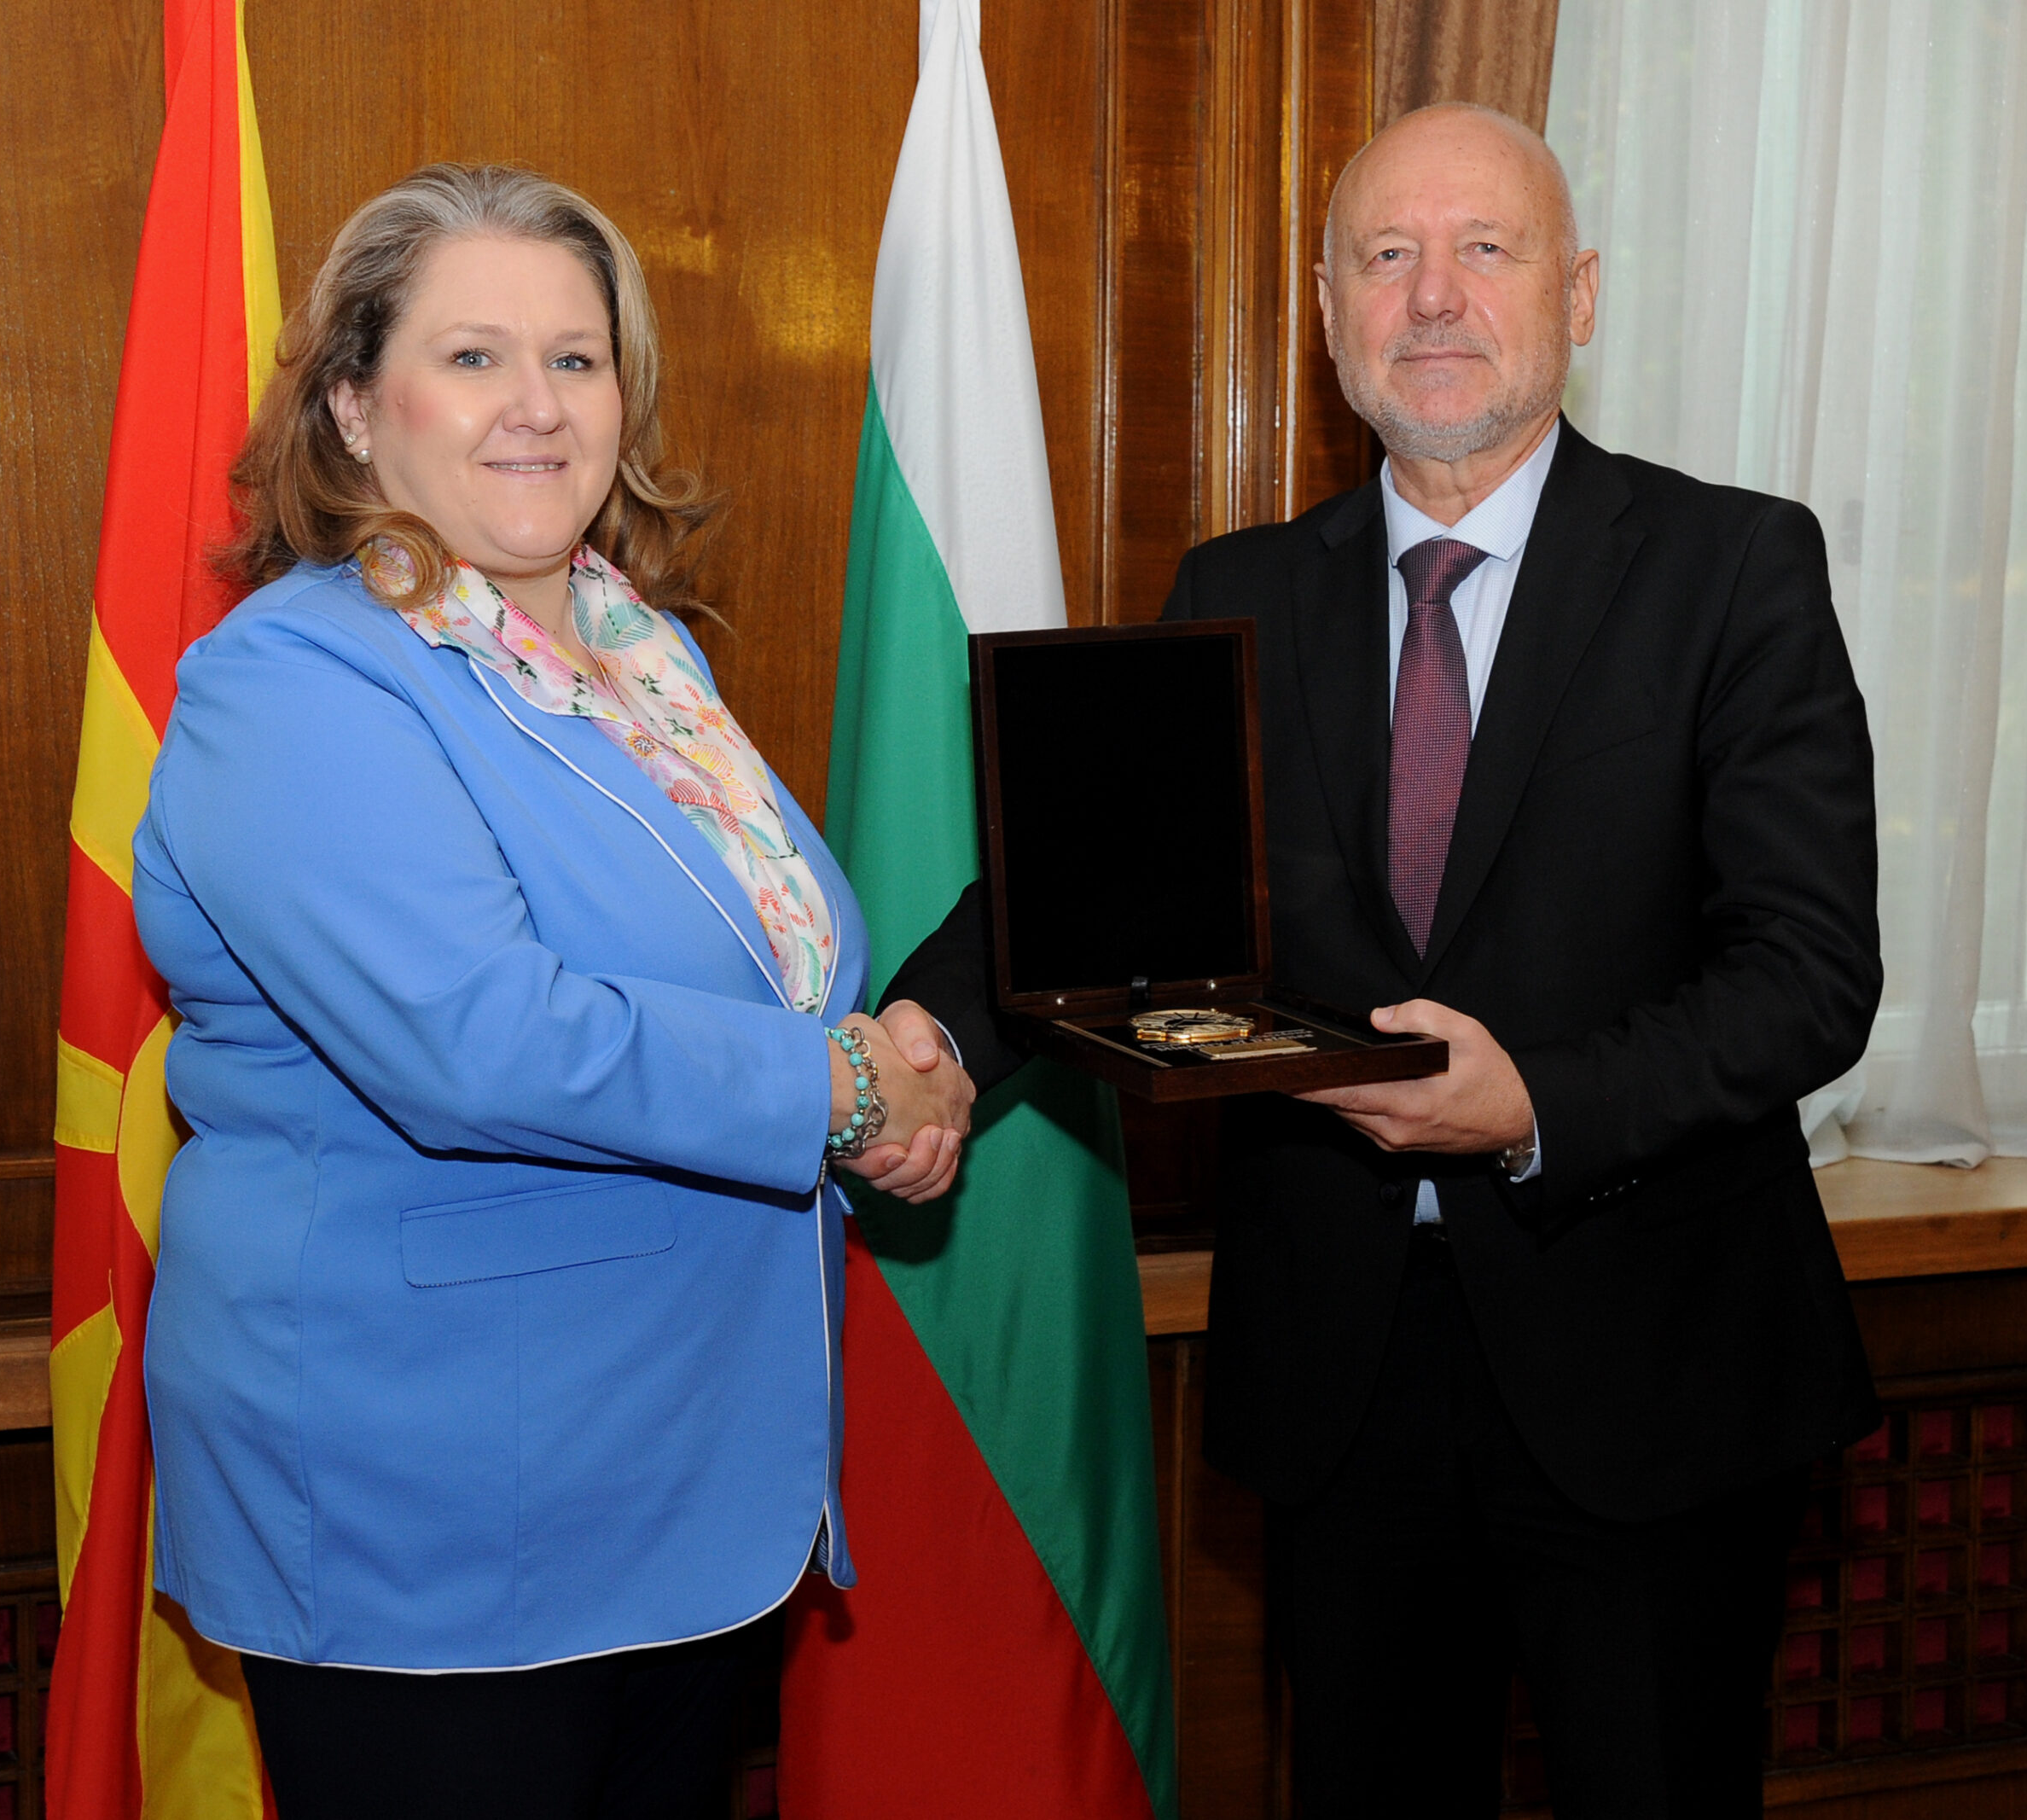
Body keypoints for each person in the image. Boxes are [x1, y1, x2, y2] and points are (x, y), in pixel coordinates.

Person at [879, 103, 1882, 1816]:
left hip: (1649, 1372)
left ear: (1576, 294)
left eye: (1484, 249)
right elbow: (1094, 898)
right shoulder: (1240, 585)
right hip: (1340, 1378)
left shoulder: (1731, 567)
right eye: (1386, 255)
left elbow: (1807, 972)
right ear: (1328, 310)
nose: (1432, 296)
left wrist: (1531, 1105)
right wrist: (926, 1038)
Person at [132, 163, 971, 1820]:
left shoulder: (645, 658)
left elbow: (779, 966)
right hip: (436, 1510)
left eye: (576, 359)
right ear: (354, 407)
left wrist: (880, 1060)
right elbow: (481, 1040)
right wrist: (838, 1087)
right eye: (474, 357)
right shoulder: (293, 682)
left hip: (688, 1480)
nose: (537, 404)